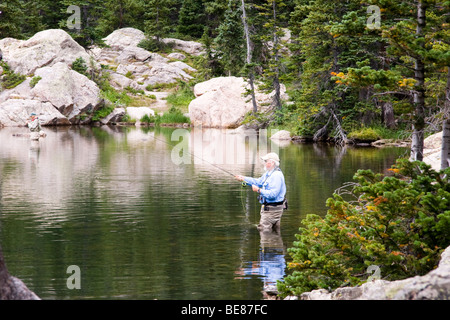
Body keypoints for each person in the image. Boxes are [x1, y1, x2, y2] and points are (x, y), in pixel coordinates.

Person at [235, 152, 287, 232]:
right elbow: (258, 182)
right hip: (272, 209)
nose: (264, 163)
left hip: (272, 210)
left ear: (272, 163)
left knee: (264, 232)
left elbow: (273, 194)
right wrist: (243, 178)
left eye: (266, 161)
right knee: (275, 232)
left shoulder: (276, 175)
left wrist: (259, 190)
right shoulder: (269, 173)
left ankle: (267, 244)